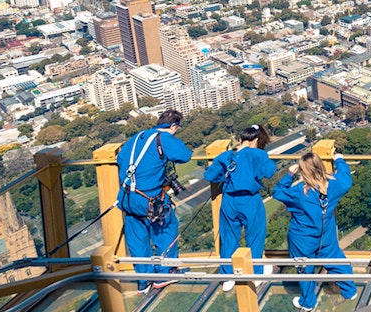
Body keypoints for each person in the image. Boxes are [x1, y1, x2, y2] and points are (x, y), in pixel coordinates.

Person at [116, 109, 193, 293]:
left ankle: (144, 280)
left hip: (127, 196)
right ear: (173, 126)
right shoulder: (163, 139)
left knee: (137, 237)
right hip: (149, 198)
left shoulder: (137, 136)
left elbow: (120, 159)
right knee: (166, 229)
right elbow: (184, 155)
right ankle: (165, 274)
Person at [273, 150, 357, 312]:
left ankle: (308, 301)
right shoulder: (334, 184)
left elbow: (277, 192)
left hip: (303, 239)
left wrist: (289, 175)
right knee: (336, 260)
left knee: (305, 269)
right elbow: (346, 177)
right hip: (326, 235)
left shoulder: (299, 193)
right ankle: (349, 290)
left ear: (303, 172)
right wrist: (339, 160)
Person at [203, 125, 277, 291]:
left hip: (229, 201)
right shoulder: (258, 154)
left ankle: (228, 277)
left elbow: (209, 175)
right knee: (255, 238)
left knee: (229, 239)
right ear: (256, 140)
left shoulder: (226, 156)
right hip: (250, 200)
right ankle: (255, 274)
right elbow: (270, 171)